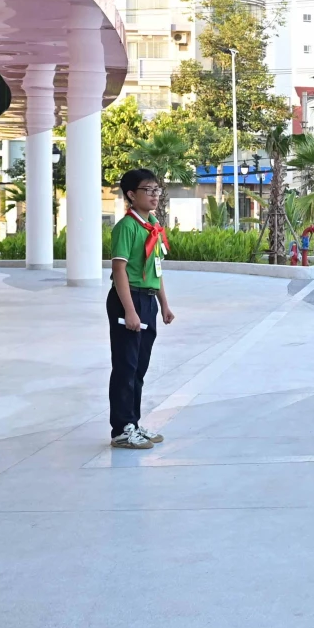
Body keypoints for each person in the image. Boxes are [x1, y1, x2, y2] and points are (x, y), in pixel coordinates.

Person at [109, 168, 177, 449]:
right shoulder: (127, 227)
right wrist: (130, 311)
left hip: (147, 300)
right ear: (131, 194)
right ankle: (121, 430)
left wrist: (164, 304)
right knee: (126, 366)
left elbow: (156, 269)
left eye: (157, 190)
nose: (154, 195)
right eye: (148, 190)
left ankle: (133, 423)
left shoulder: (153, 226)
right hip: (129, 300)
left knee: (139, 368)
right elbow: (119, 270)